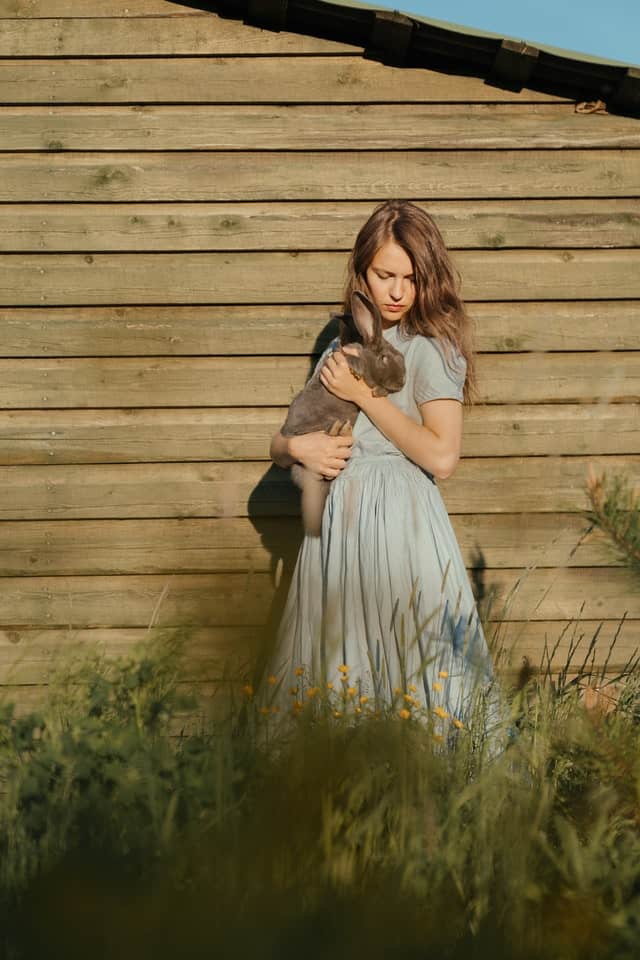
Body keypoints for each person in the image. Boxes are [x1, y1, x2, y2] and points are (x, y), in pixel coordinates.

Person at [253, 200, 510, 758]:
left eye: (410, 278)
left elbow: (441, 456)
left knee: (416, 661)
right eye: (384, 275)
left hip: (403, 529)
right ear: (362, 276)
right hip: (341, 532)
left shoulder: (432, 350)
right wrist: (299, 446)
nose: (396, 291)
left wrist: (363, 396)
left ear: (428, 279)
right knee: (340, 664)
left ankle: (434, 792)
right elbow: (281, 441)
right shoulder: (340, 345)